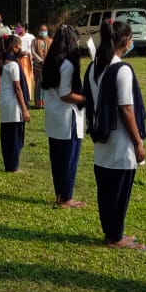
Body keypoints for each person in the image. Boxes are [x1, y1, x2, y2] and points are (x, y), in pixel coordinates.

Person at [83, 20, 146, 251]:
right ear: (125, 41)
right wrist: (138, 142)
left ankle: (112, 232)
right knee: (119, 192)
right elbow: (126, 108)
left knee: (106, 191)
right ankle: (115, 236)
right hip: (120, 142)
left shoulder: (93, 67)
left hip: (102, 141)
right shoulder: (121, 70)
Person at [40, 24, 86, 208]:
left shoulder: (51, 61)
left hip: (54, 118)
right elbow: (66, 94)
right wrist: (86, 99)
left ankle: (60, 194)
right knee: (68, 161)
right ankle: (66, 198)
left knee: (57, 160)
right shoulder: (67, 65)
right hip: (68, 120)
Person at [0, 34, 30, 172]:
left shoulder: (4, 61)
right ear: (14, 47)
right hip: (14, 104)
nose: (20, 48)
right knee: (15, 137)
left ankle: (9, 165)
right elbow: (17, 88)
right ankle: (13, 166)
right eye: (19, 46)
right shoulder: (14, 65)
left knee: (7, 136)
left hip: (5, 103)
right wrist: (25, 110)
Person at [31, 25, 52, 108]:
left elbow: (53, 52)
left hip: (48, 66)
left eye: (44, 30)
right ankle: (38, 104)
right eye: (41, 30)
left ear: (47, 31)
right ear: (38, 31)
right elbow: (33, 52)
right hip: (37, 66)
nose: (43, 32)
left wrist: (46, 61)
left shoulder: (51, 41)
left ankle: (47, 103)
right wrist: (40, 60)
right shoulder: (34, 41)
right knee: (38, 85)